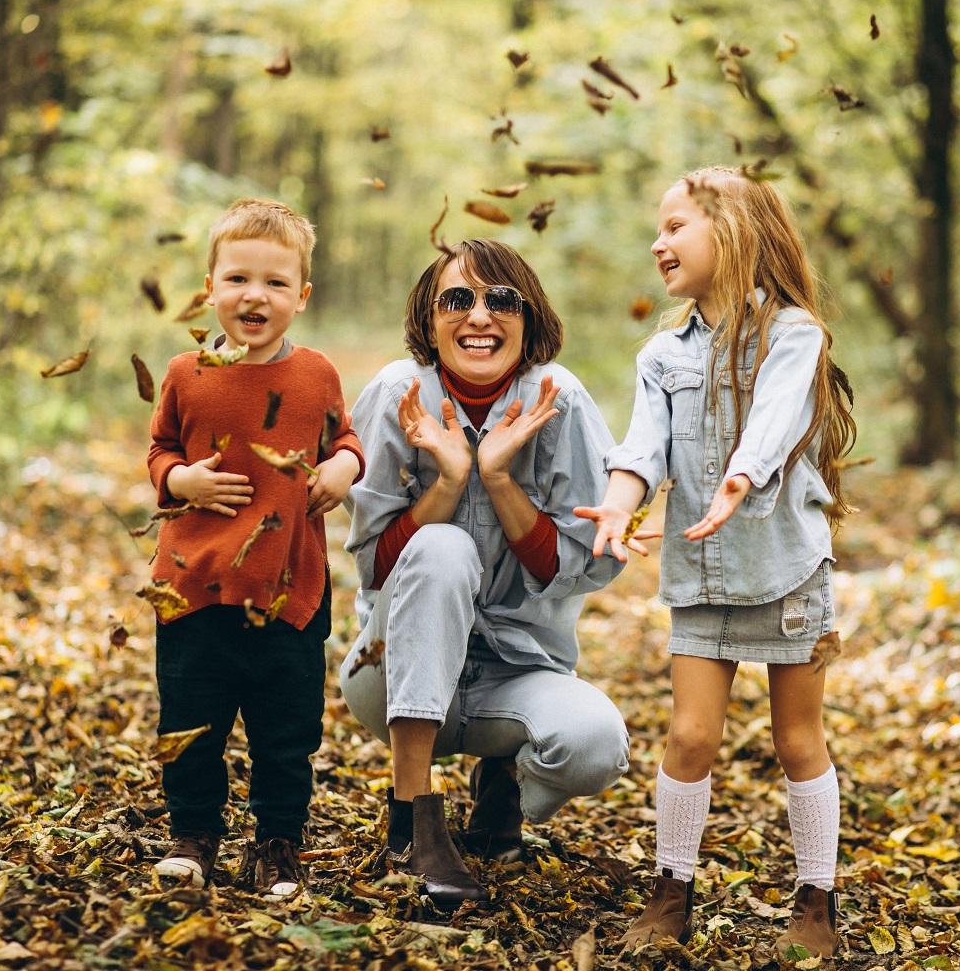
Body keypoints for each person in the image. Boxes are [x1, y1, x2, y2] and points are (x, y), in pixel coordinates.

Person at [574, 167, 858, 958]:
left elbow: (776, 415)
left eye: (675, 226)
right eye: (659, 229)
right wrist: (623, 498)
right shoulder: (662, 353)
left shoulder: (793, 332)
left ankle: (817, 900)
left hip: (786, 569)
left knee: (798, 741)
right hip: (701, 577)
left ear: (730, 232)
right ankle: (672, 890)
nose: (658, 243)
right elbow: (644, 446)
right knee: (691, 735)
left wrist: (741, 475)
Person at [340, 238, 630, 908]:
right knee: (441, 547)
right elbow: (377, 567)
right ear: (428, 316)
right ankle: (412, 817)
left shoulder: (561, 400)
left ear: (528, 319)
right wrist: (450, 481)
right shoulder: (397, 392)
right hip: (391, 680)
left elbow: (581, 567)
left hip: (517, 672)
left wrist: (498, 478)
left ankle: (504, 781)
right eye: (457, 299)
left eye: (502, 299)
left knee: (596, 746)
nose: (479, 316)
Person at [144, 198, 364, 900]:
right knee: (191, 720)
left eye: (274, 283)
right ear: (209, 289)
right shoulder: (186, 373)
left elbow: (347, 440)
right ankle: (194, 835)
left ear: (300, 296)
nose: (254, 296)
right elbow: (160, 448)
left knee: (285, 731)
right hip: (193, 585)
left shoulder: (316, 375)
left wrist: (341, 470)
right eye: (237, 279)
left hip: (288, 589)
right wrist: (181, 479)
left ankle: (276, 845)